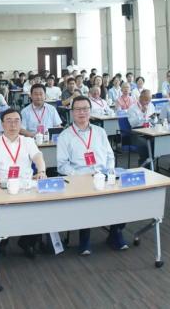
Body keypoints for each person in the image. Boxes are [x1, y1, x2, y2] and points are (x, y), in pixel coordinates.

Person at [56, 96, 128, 255]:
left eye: (85, 109)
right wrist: (80, 175)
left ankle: (115, 233)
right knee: (86, 201)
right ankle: (85, 238)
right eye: (78, 109)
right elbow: (62, 165)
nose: (82, 112)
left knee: (123, 198)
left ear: (90, 111)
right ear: (72, 112)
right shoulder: (65, 136)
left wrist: (109, 171)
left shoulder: (100, 132)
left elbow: (110, 155)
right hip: (80, 179)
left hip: (104, 175)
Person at [0, 109, 46, 257]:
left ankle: (27, 242)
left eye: (16, 121)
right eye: (9, 121)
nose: (13, 124)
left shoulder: (28, 141)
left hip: (26, 185)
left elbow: (38, 156)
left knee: (39, 210)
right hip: (3, 186)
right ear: (2, 124)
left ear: (21, 123)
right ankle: (2, 239)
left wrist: (42, 171)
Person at [127, 89, 156, 167]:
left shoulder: (151, 105)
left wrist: (153, 119)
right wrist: (142, 114)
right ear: (140, 98)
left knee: (157, 141)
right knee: (145, 144)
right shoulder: (132, 108)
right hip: (137, 131)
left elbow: (154, 120)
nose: (147, 102)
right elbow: (132, 123)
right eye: (146, 100)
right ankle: (144, 164)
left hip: (149, 129)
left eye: (149, 100)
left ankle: (151, 162)